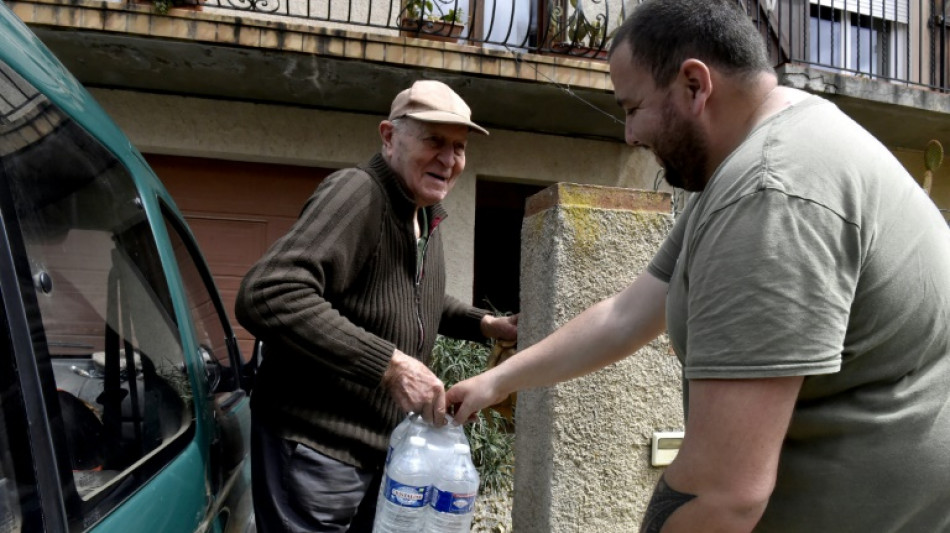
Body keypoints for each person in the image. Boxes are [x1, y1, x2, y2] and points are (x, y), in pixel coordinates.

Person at [445, 0, 950, 531]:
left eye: (631, 107)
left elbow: (723, 493)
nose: (630, 135)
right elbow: (626, 314)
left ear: (694, 85)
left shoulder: (770, 191)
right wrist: (498, 381)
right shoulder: (759, 160)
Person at [235, 79, 518, 533]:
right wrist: (392, 366)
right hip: (318, 450)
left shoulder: (422, 214)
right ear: (389, 136)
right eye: (434, 141)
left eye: (459, 147)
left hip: (380, 453)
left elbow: (416, 299)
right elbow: (269, 292)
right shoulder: (358, 193)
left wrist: (486, 324)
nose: (449, 159)